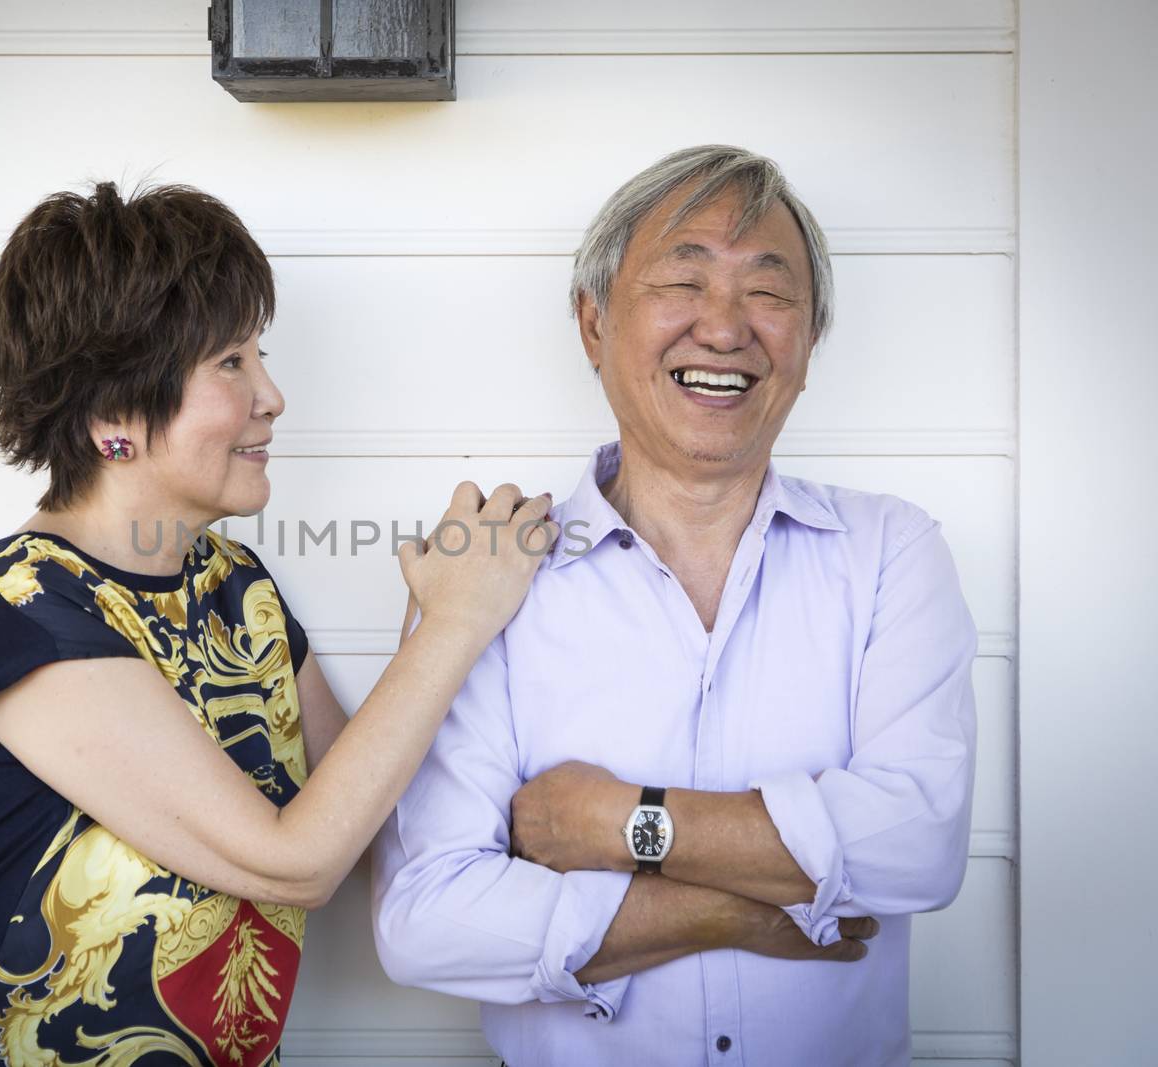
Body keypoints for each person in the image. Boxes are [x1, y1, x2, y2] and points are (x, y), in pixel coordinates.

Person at [0, 182, 558, 1066]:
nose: (273, 395)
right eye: (230, 363)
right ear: (112, 415)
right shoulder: (19, 605)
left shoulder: (236, 585)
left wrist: (429, 617)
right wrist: (457, 625)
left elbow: (368, 811)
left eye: (258, 355)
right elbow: (295, 859)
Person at [371, 145, 979, 1065]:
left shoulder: (892, 551)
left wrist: (614, 821)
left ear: (808, 344)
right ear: (592, 325)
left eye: (769, 294)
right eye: (683, 280)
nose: (726, 329)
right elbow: (429, 919)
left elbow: (918, 844)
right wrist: (726, 904)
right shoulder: (491, 572)